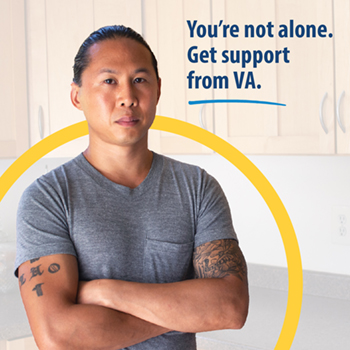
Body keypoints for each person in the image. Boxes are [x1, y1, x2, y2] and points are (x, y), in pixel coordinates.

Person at [15, 25, 249, 349]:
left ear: (158, 89)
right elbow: (59, 336)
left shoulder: (198, 188)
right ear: (77, 96)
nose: (127, 97)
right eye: (109, 81)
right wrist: (186, 313)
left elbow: (230, 308)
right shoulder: (47, 200)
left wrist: (104, 292)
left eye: (139, 80)